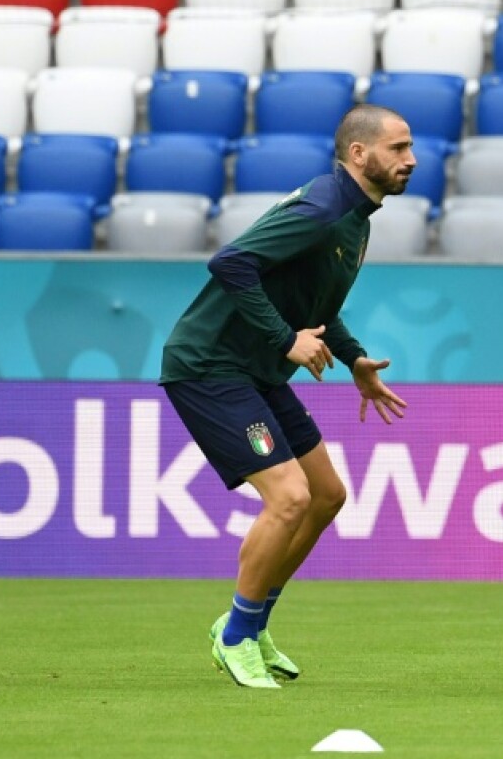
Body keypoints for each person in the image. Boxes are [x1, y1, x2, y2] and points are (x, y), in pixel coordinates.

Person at [160, 104, 414, 689]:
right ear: (359, 154)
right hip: (209, 365)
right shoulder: (325, 208)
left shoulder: (356, 218)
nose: (411, 159)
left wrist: (355, 362)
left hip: (257, 373)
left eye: (408, 148)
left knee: (326, 494)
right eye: (398, 148)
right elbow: (231, 263)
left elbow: (317, 306)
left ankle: (251, 624)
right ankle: (234, 637)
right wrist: (284, 339)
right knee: (290, 498)